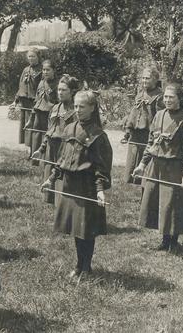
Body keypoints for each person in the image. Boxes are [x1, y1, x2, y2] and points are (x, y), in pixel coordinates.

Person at [41, 90, 112, 281]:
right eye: (76, 106)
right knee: (75, 228)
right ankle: (78, 265)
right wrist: (52, 178)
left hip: (86, 187)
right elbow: (62, 158)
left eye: (82, 107)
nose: (78, 110)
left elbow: (102, 167)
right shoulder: (69, 128)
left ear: (92, 108)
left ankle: (86, 267)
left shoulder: (98, 136)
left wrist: (100, 190)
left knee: (86, 230)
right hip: (69, 185)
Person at [132, 82, 183, 253]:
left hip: (172, 167)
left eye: (171, 97)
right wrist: (142, 164)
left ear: (179, 99)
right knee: (157, 201)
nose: (167, 100)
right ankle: (164, 240)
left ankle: (173, 242)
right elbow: (150, 143)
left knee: (171, 204)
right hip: (156, 165)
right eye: (165, 97)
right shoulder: (159, 115)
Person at [32, 74, 79, 204]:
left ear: (72, 92)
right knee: (49, 171)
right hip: (51, 147)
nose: (60, 92)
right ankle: (49, 200)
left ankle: (62, 202)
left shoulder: (75, 112)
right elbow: (50, 130)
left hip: (64, 148)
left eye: (64, 90)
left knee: (62, 175)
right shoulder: (55, 108)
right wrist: (41, 148)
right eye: (59, 89)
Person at [122, 67, 164, 184]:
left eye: (148, 78)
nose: (144, 81)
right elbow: (134, 113)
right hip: (136, 133)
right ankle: (135, 180)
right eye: (143, 78)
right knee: (134, 158)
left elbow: (160, 117)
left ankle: (145, 186)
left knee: (147, 161)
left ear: (155, 79)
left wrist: (156, 134)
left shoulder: (159, 96)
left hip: (148, 134)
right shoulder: (140, 93)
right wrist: (128, 129)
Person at [28, 60, 59, 165]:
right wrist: (32, 116)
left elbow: (59, 102)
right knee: (36, 135)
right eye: (44, 70)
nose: (45, 72)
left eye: (48, 70)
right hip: (38, 112)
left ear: (54, 70)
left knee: (48, 137)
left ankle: (47, 160)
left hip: (49, 114)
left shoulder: (57, 84)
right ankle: (34, 160)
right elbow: (37, 99)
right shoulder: (41, 82)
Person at [15, 48, 42, 148]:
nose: (31, 58)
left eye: (33, 56)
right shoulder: (26, 69)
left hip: (35, 101)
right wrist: (17, 99)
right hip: (25, 101)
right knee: (26, 124)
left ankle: (35, 147)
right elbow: (21, 84)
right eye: (29, 56)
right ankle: (29, 147)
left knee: (34, 124)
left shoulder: (42, 69)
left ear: (38, 57)